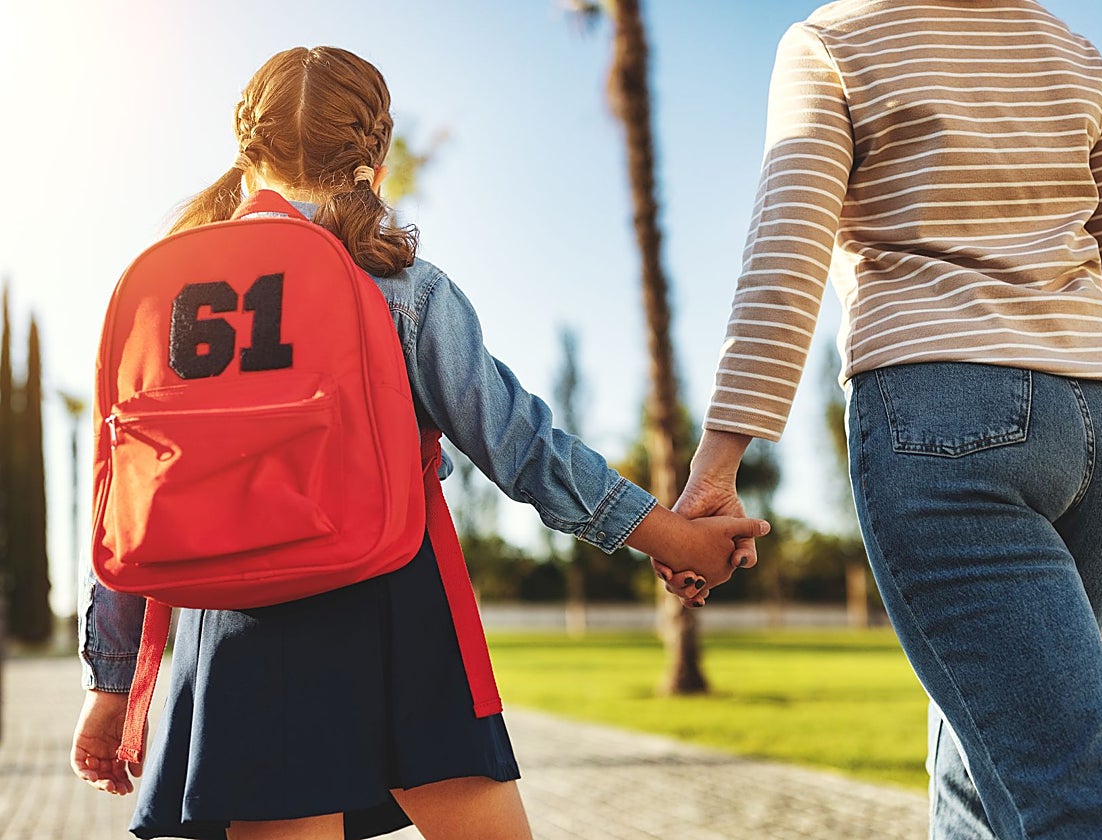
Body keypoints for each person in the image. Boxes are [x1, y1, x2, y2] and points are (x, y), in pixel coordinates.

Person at [71, 46, 767, 840]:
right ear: (374, 154)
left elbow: (130, 501)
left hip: (231, 629)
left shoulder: (171, 298)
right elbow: (521, 445)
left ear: (246, 151)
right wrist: (673, 534)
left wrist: (112, 685)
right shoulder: (404, 288)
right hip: (390, 602)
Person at [667, 2, 1102, 838]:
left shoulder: (833, 39)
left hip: (949, 421)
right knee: (985, 751)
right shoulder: (1076, 53)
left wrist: (717, 462)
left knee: (1076, 787)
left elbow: (786, 250)